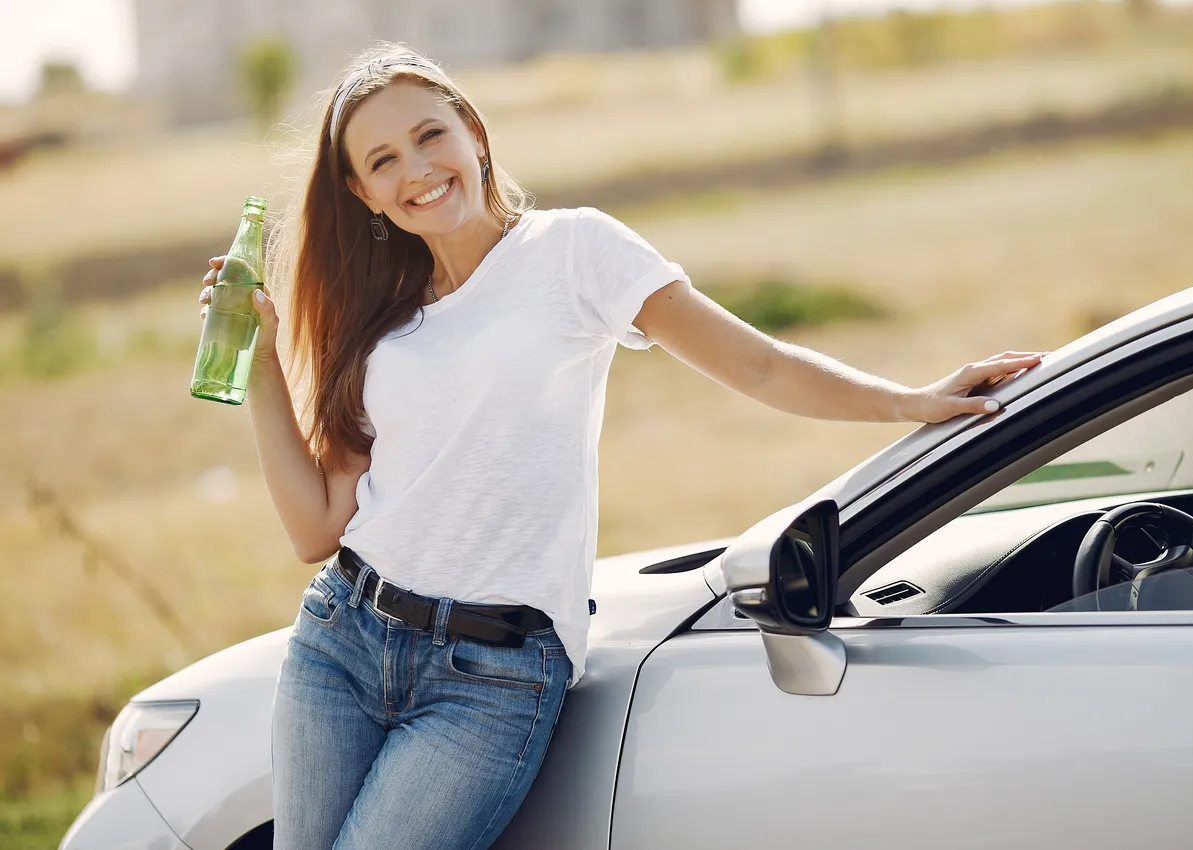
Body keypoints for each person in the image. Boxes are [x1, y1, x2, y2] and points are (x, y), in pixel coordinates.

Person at [197, 43, 1043, 850]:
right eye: (383, 161)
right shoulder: (376, 321)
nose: (417, 168)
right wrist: (263, 362)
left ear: (475, 137)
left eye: (430, 136)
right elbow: (316, 529)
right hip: (343, 638)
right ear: (362, 194)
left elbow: (760, 365)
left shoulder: (574, 252)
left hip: (489, 678)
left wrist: (910, 402)